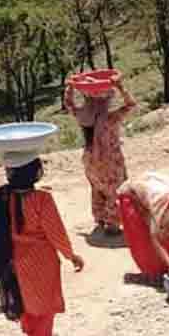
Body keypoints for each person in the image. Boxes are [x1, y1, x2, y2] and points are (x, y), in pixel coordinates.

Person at [0, 157, 84, 336]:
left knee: (23, 301)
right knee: (43, 306)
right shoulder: (42, 199)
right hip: (40, 261)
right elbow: (55, 231)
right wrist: (71, 255)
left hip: (10, 260)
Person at [64, 73, 137, 235]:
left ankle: (100, 218)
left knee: (97, 188)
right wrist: (120, 87)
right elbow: (131, 105)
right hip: (109, 160)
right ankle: (113, 224)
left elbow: (68, 104)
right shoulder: (111, 118)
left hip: (90, 160)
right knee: (114, 190)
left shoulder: (83, 116)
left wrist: (70, 87)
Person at [116, 171, 169, 282]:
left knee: (165, 234)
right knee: (143, 239)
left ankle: (163, 270)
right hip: (132, 198)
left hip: (148, 191)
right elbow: (155, 239)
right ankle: (150, 275)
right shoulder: (159, 206)